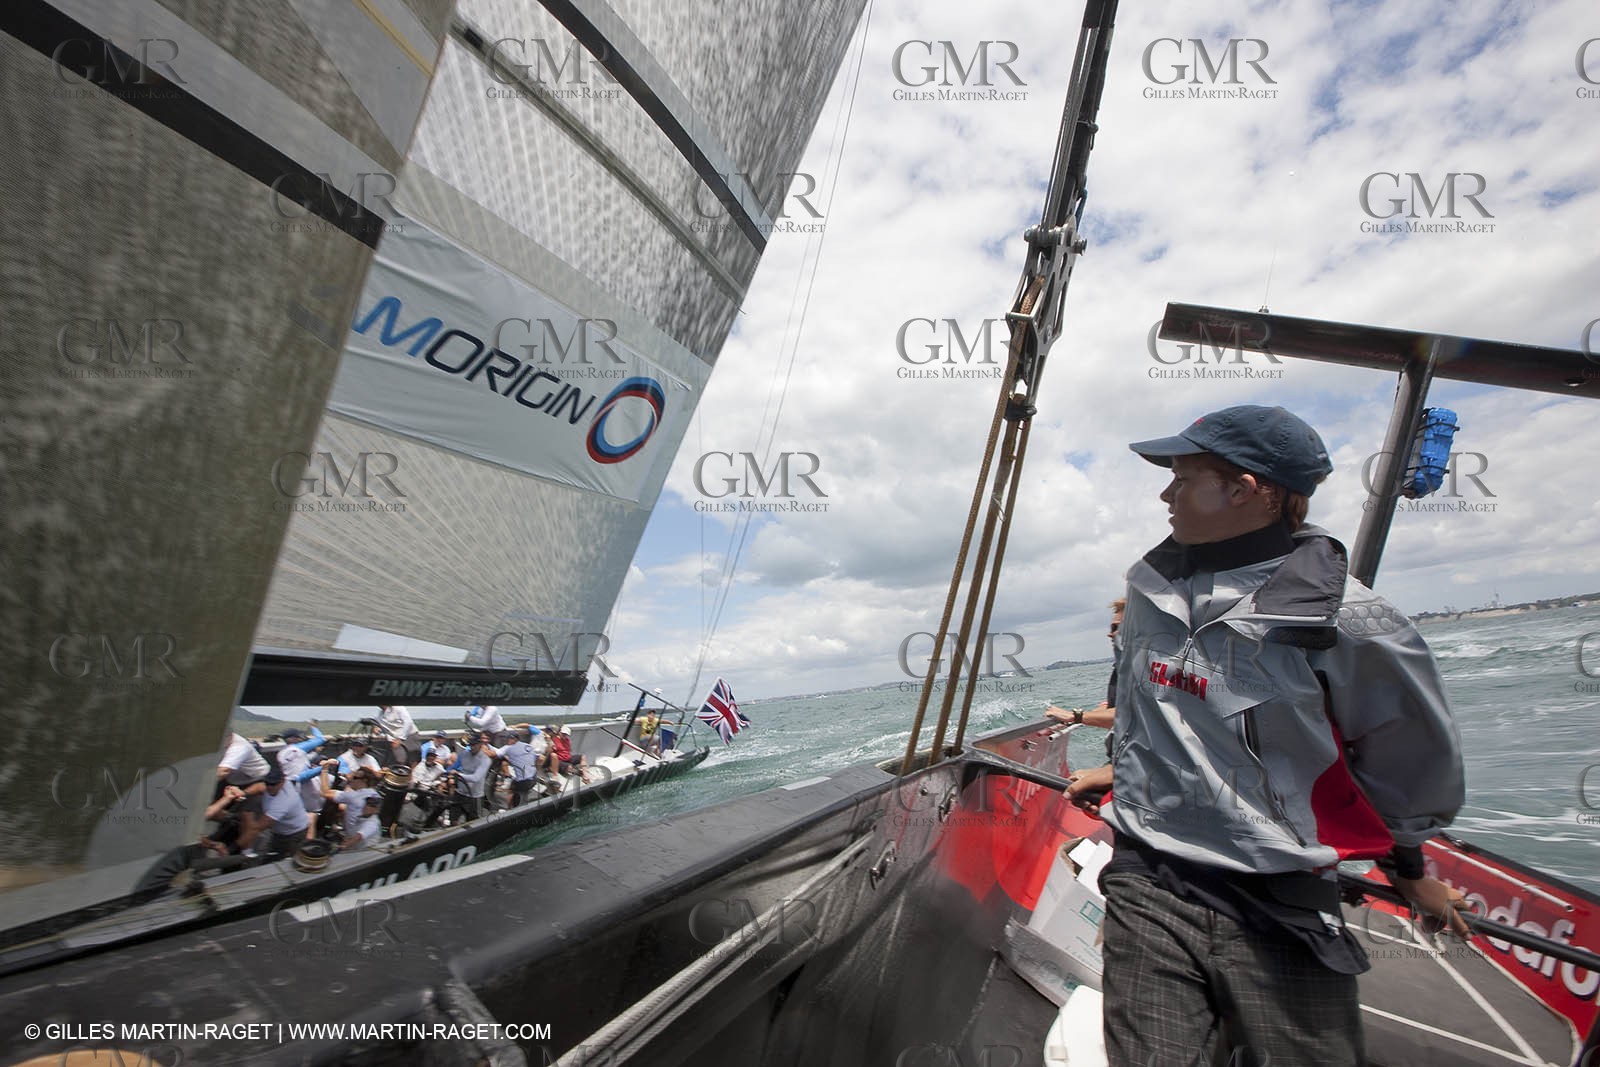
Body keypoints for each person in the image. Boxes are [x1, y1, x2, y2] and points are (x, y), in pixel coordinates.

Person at [1068, 404, 1469, 1067]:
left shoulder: (1353, 621)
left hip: (1280, 899)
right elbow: (1145, 719)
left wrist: (1408, 866)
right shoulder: (1146, 594)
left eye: (1184, 476)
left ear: (1250, 490)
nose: (1166, 493)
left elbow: (1410, 762)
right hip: (1149, 877)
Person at [1046, 597, 1124, 730]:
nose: (1109, 634)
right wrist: (1071, 720)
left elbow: (1130, 715)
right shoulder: (1123, 666)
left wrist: (1075, 716)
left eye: (1115, 627)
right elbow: (1112, 707)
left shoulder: (1148, 668)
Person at [497, 727, 544, 807]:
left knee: (511, 791)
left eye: (508, 739)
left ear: (514, 739)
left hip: (523, 781)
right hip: (533, 778)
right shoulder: (527, 746)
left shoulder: (508, 747)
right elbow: (541, 758)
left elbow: (494, 754)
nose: (506, 741)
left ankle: (509, 810)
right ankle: (523, 803)